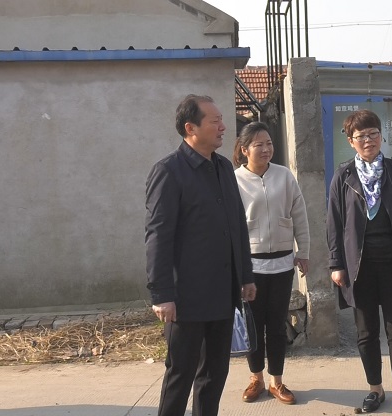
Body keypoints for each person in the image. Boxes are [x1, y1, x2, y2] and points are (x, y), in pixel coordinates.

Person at [145, 94, 257, 416]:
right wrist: (162, 294)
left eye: (222, 120)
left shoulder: (223, 168)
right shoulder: (169, 171)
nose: (223, 127)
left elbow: (236, 225)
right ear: (190, 128)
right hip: (186, 299)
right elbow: (158, 236)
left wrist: (245, 275)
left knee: (214, 374)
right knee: (180, 375)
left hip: (223, 293)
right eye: (215, 121)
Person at [327, 109, 392, 416]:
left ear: (381, 136)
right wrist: (336, 264)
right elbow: (334, 223)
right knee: (366, 332)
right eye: (361, 136)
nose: (368, 140)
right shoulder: (343, 176)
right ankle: (375, 389)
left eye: (373, 133)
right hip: (359, 268)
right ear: (351, 141)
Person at [232, 121, 310, 405]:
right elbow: (230, 225)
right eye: (259, 145)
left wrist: (304, 251)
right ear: (244, 150)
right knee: (253, 326)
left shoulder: (284, 175)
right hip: (250, 267)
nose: (266, 149)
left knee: (276, 326)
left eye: (269, 143)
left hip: (282, 265)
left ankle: (277, 381)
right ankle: (256, 378)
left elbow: (299, 214)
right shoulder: (234, 180)